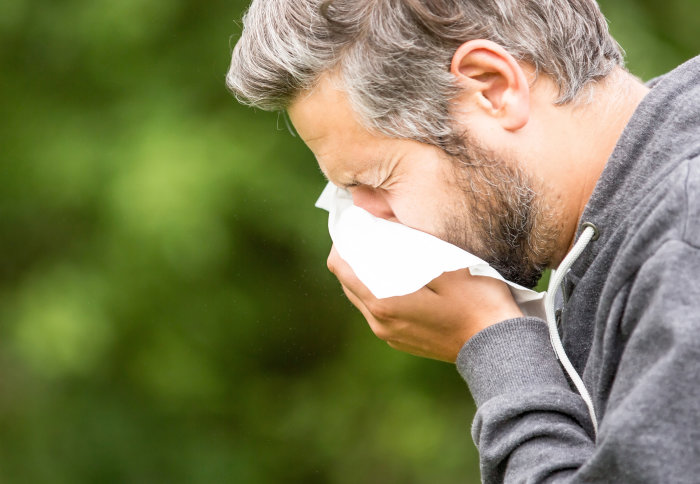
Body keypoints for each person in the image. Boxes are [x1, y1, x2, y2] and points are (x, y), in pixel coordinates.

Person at [226, 0, 700, 482]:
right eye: (346, 193)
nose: (369, 219)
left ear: (492, 87)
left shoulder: (685, 246)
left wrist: (492, 342)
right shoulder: (639, 218)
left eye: (376, 180)